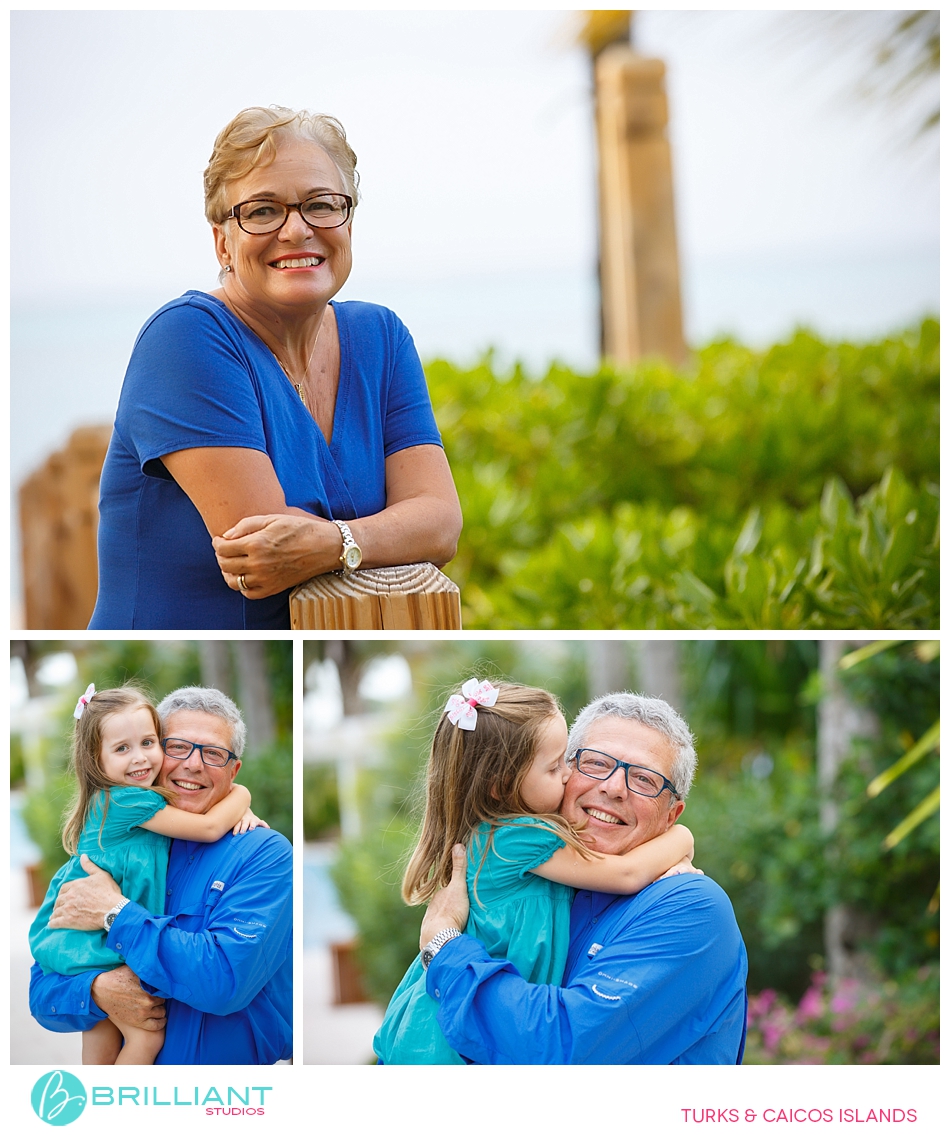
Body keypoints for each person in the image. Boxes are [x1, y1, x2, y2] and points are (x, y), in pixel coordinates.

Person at [89, 105, 462, 629]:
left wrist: (335, 541)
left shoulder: (381, 337)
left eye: (320, 205)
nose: (296, 230)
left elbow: (440, 521)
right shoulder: (185, 339)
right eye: (263, 211)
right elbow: (266, 554)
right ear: (223, 240)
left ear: (348, 221)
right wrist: (383, 534)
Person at [416, 692, 749, 1064]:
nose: (613, 787)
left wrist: (444, 946)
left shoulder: (692, 907)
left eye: (643, 779)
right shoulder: (541, 883)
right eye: (595, 763)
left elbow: (563, 1045)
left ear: (673, 815)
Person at [29, 687, 292, 1065]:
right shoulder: (120, 850)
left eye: (214, 754)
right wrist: (96, 989)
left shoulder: (264, 855)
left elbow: (222, 982)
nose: (193, 765)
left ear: (233, 772)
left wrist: (115, 912)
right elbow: (42, 992)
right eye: (178, 747)